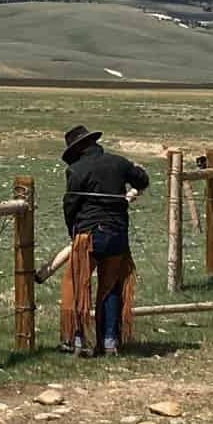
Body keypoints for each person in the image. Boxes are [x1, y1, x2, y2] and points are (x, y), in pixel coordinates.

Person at [61, 124, 148, 356]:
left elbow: (70, 205)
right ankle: (109, 341)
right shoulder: (119, 163)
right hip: (118, 234)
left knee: (76, 284)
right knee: (110, 287)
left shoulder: (76, 171)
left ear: (77, 150)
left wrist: (73, 232)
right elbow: (142, 180)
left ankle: (75, 339)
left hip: (88, 235)